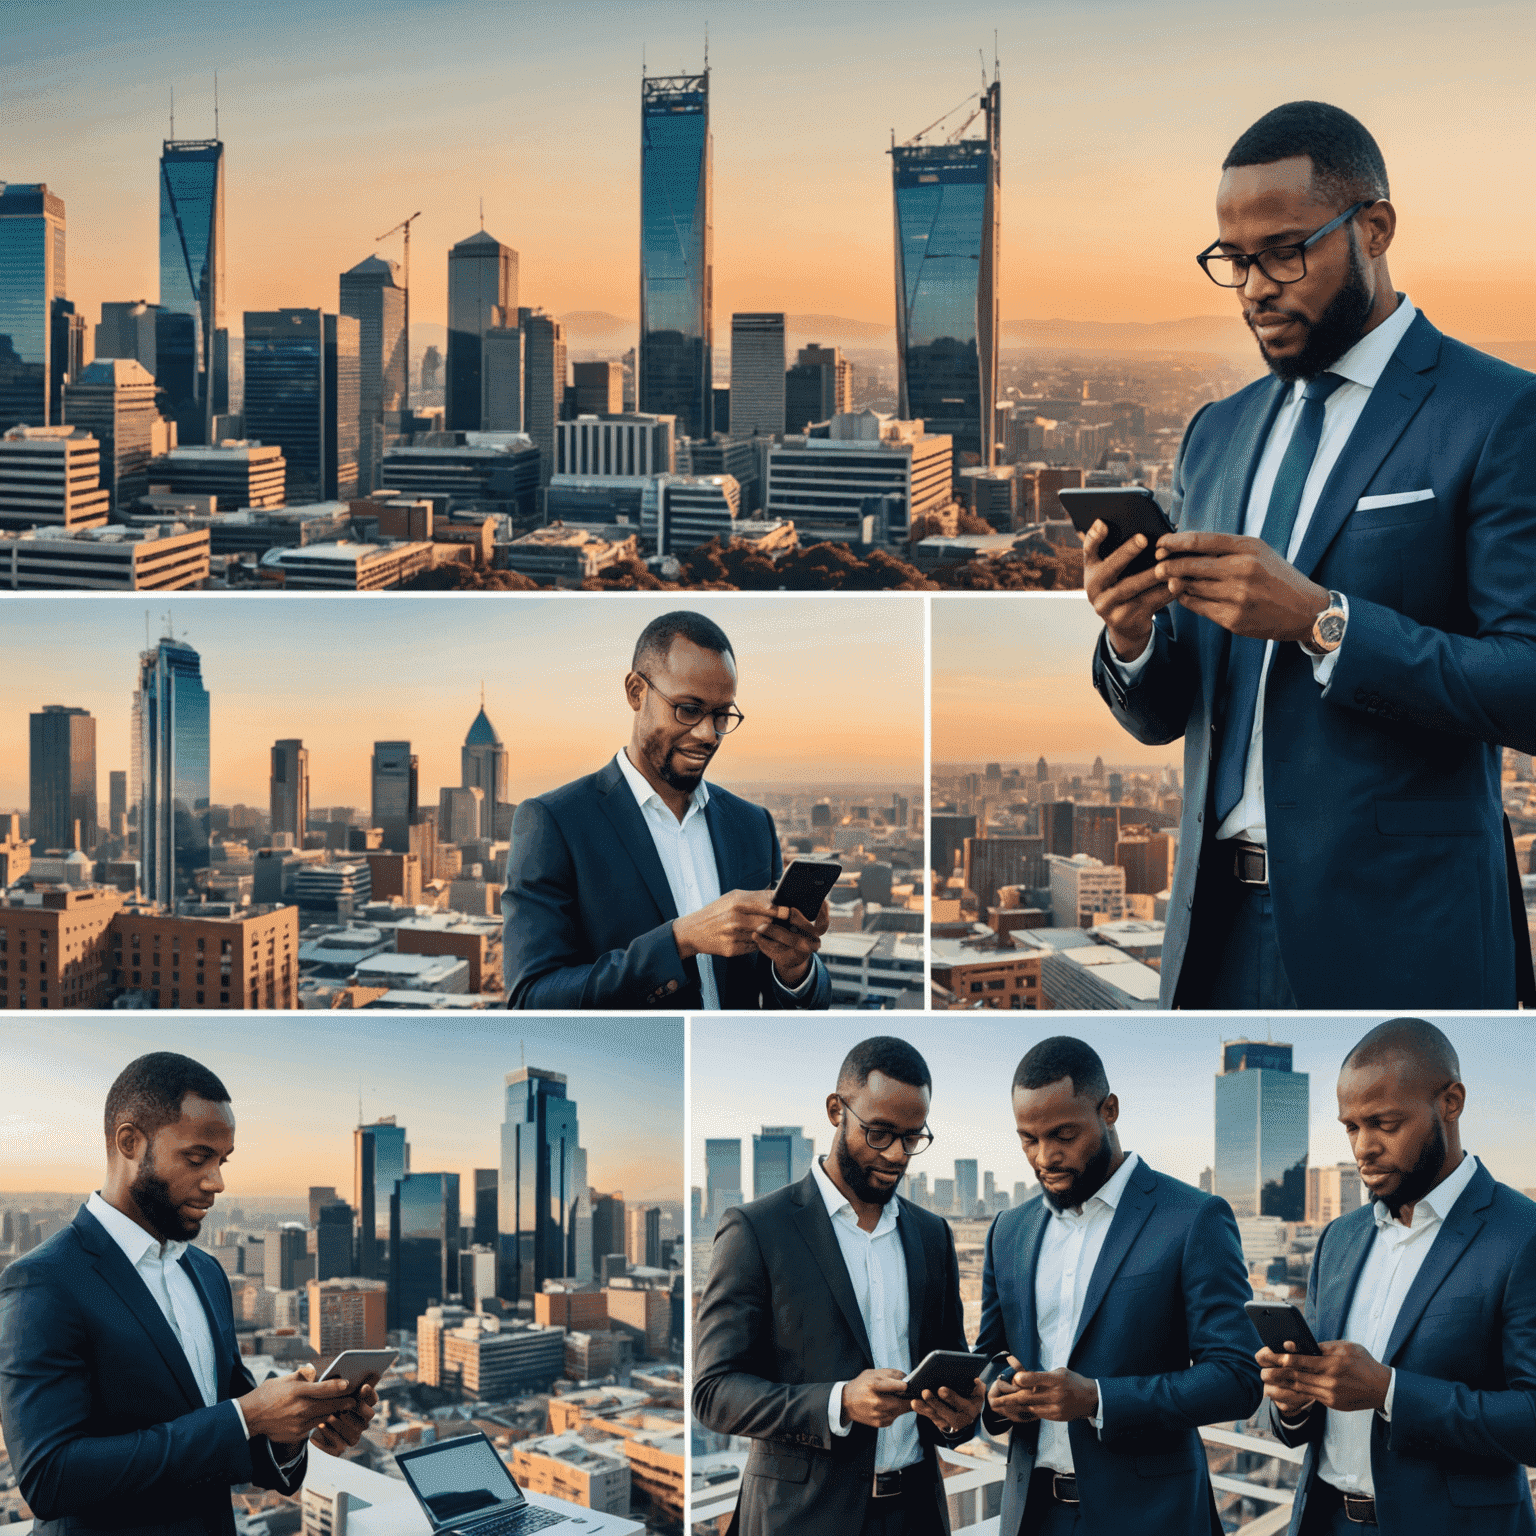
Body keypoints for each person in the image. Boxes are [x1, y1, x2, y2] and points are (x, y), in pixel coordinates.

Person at [1086, 99, 1536, 1009]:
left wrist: (1326, 623)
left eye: (1286, 251)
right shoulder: (1218, 432)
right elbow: (1170, 714)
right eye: (1234, 260)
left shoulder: (1498, 415)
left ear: (1374, 229)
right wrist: (1130, 635)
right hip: (1208, 935)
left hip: (1401, 934)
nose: (1255, 286)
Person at [0, 1052, 377, 1534]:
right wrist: (244, 1416)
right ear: (130, 1142)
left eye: (222, 1161)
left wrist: (294, 1428)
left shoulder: (205, 1271)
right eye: (197, 1158)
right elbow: (49, 1478)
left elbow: (236, 1434)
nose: (216, 1182)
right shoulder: (43, 1281)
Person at [693, 1036, 984, 1535]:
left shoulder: (933, 1236)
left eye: (912, 1138)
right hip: (801, 1520)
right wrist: (840, 1402)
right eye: (879, 1133)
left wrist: (962, 1413)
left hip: (917, 1515)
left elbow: (952, 1368)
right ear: (835, 1110)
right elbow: (714, 1393)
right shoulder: (757, 1229)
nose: (896, 1154)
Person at [1258, 1019, 1536, 1535]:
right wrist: (1293, 1402)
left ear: (1451, 1103)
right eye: (1351, 1127)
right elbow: (1304, 1420)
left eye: (1385, 1124)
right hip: (1323, 1522)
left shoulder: (1523, 1234)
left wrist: (1390, 1391)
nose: (1363, 1147)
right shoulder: (1338, 1239)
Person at [976, 1037, 1262, 1535]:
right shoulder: (1008, 1229)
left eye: (1064, 1134)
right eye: (1029, 1139)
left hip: (1151, 1516)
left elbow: (1238, 1378)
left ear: (1109, 1110)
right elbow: (991, 1356)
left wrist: (1099, 1399)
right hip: (1031, 1515)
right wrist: (996, 1395)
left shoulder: (1193, 1217)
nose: (1046, 1157)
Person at [503, 609, 831, 1009]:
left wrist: (794, 968)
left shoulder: (752, 825)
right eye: (689, 710)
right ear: (636, 692)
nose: (707, 734)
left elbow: (780, 999)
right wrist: (679, 941)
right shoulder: (554, 823)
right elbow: (530, 999)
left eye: (721, 714)